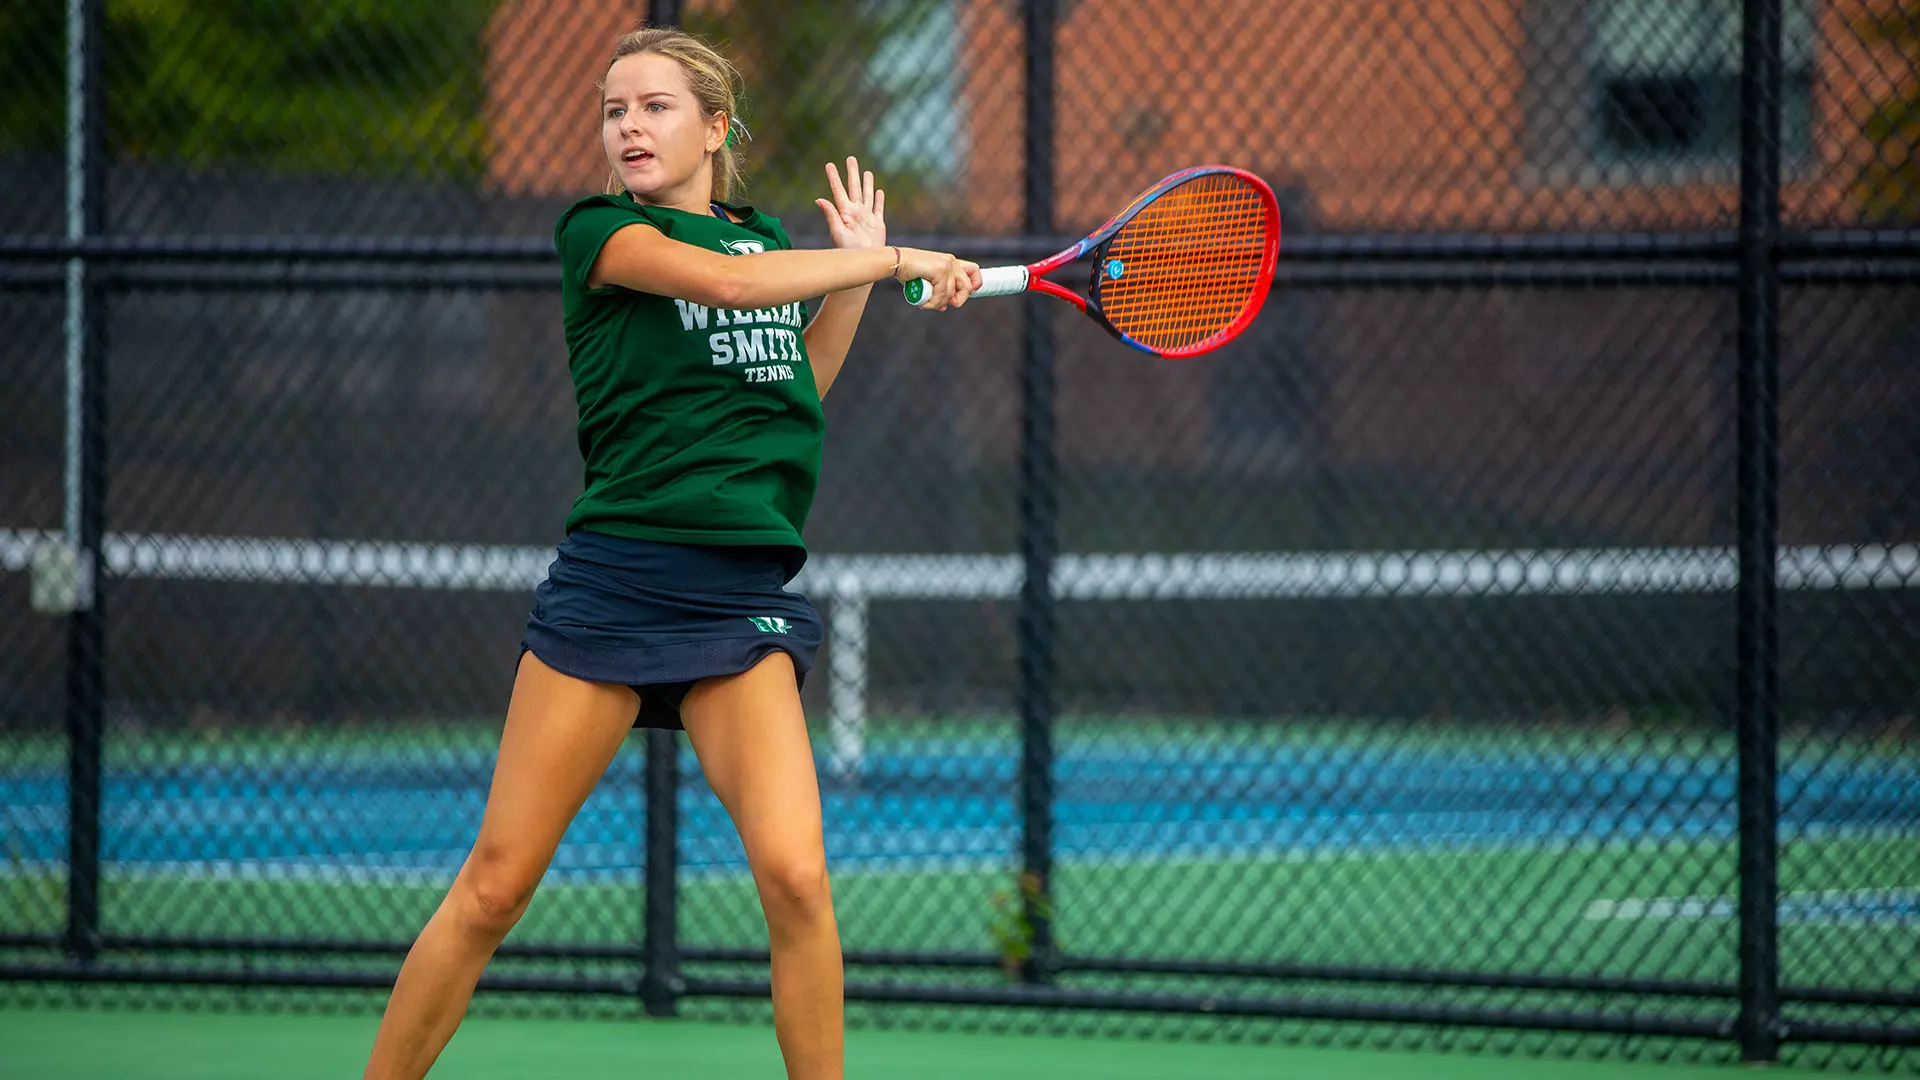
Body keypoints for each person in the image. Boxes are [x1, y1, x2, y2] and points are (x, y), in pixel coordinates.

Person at [362, 25, 980, 1080]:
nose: (630, 127)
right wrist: (893, 256)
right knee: (496, 888)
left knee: (796, 879)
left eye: (655, 106)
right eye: (615, 110)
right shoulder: (601, 235)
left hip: (740, 602)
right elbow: (728, 291)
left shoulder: (766, 239)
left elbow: (795, 392)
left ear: (715, 126)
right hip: (618, 586)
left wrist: (855, 286)